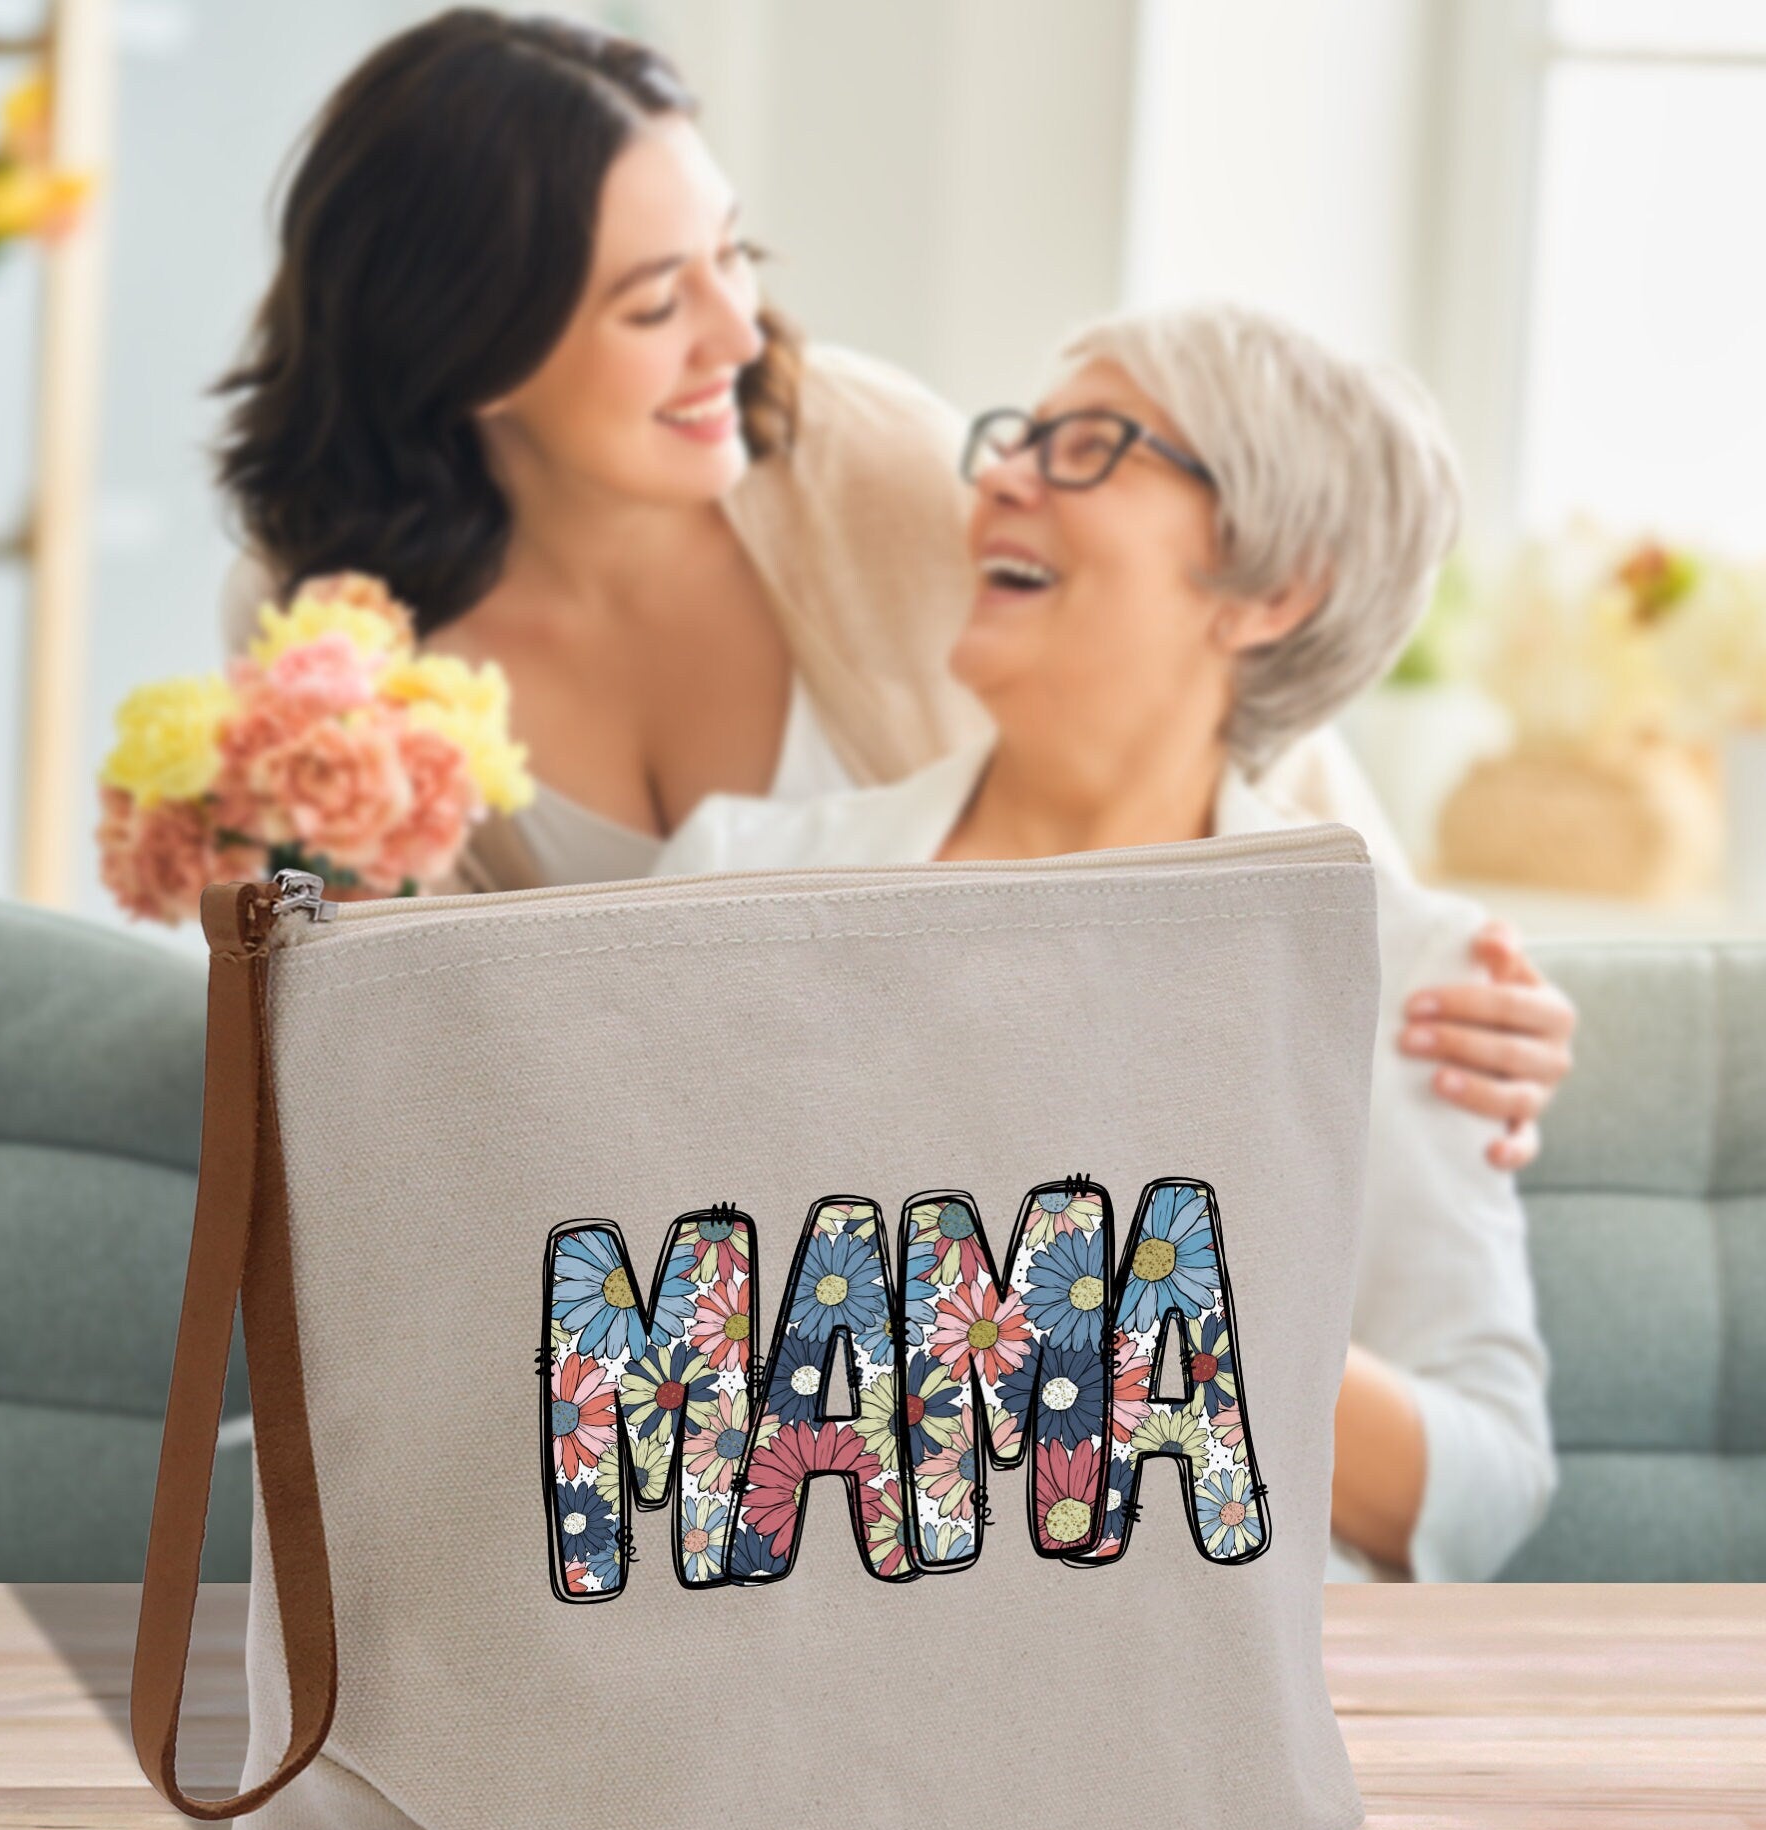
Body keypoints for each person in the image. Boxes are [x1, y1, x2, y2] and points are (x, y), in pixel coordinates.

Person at [212, 7, 1573, 1172]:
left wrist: (1414, 985)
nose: (737, 335)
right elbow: (418, 1064)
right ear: (475, 358)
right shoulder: (329, 635)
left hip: (1031, 1171)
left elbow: (1197, 682)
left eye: (732, 256)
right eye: (652, 305)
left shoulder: (864, 459)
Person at [654, 304, 1560, 1584]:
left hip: (1189, 1700)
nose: (1003, 478)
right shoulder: (732, 879)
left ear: (1270, 588)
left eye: (1089, 447)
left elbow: (1482, 1481)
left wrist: (1151, 1309)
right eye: (1014, 439)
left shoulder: (1404, 965)